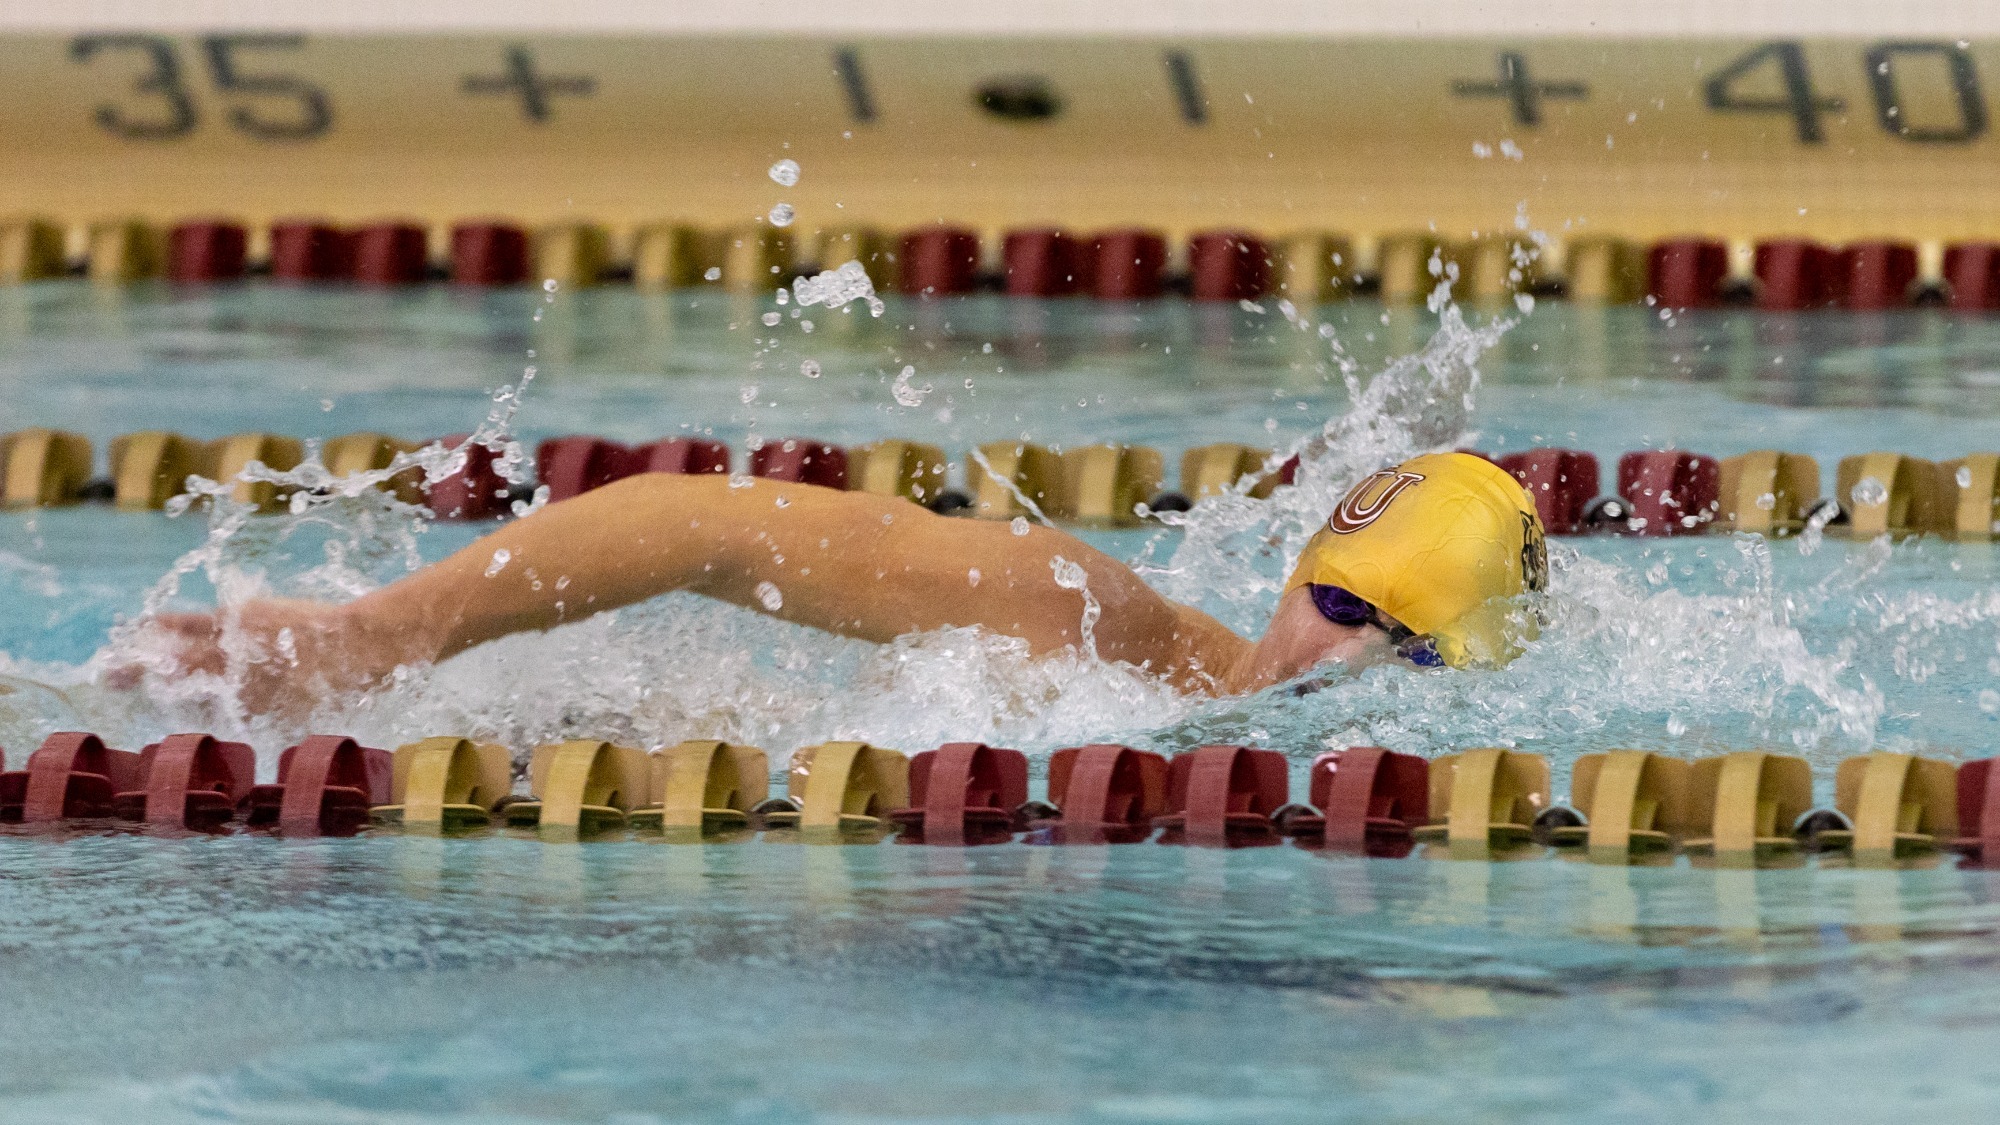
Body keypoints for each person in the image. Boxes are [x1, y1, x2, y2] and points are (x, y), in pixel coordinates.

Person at [137, 450, 1547, 714]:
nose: (1343, 668)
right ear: (1298, 574)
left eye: (1412, 654)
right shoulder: (1087, 621)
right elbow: (698, 524)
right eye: (1347, 610)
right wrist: (381, 635)